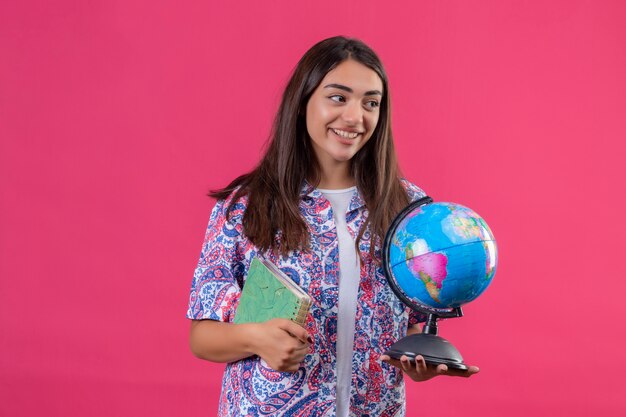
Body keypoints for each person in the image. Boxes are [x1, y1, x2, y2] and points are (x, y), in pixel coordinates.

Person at [187, 36, 478, 417]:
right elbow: (202, 337)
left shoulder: (407, 209)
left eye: (371, 103)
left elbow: (413, 325)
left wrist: (417, 359)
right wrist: (257, 338)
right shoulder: (248, 205)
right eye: (338, 97)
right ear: (303, 100)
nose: (356, 117)